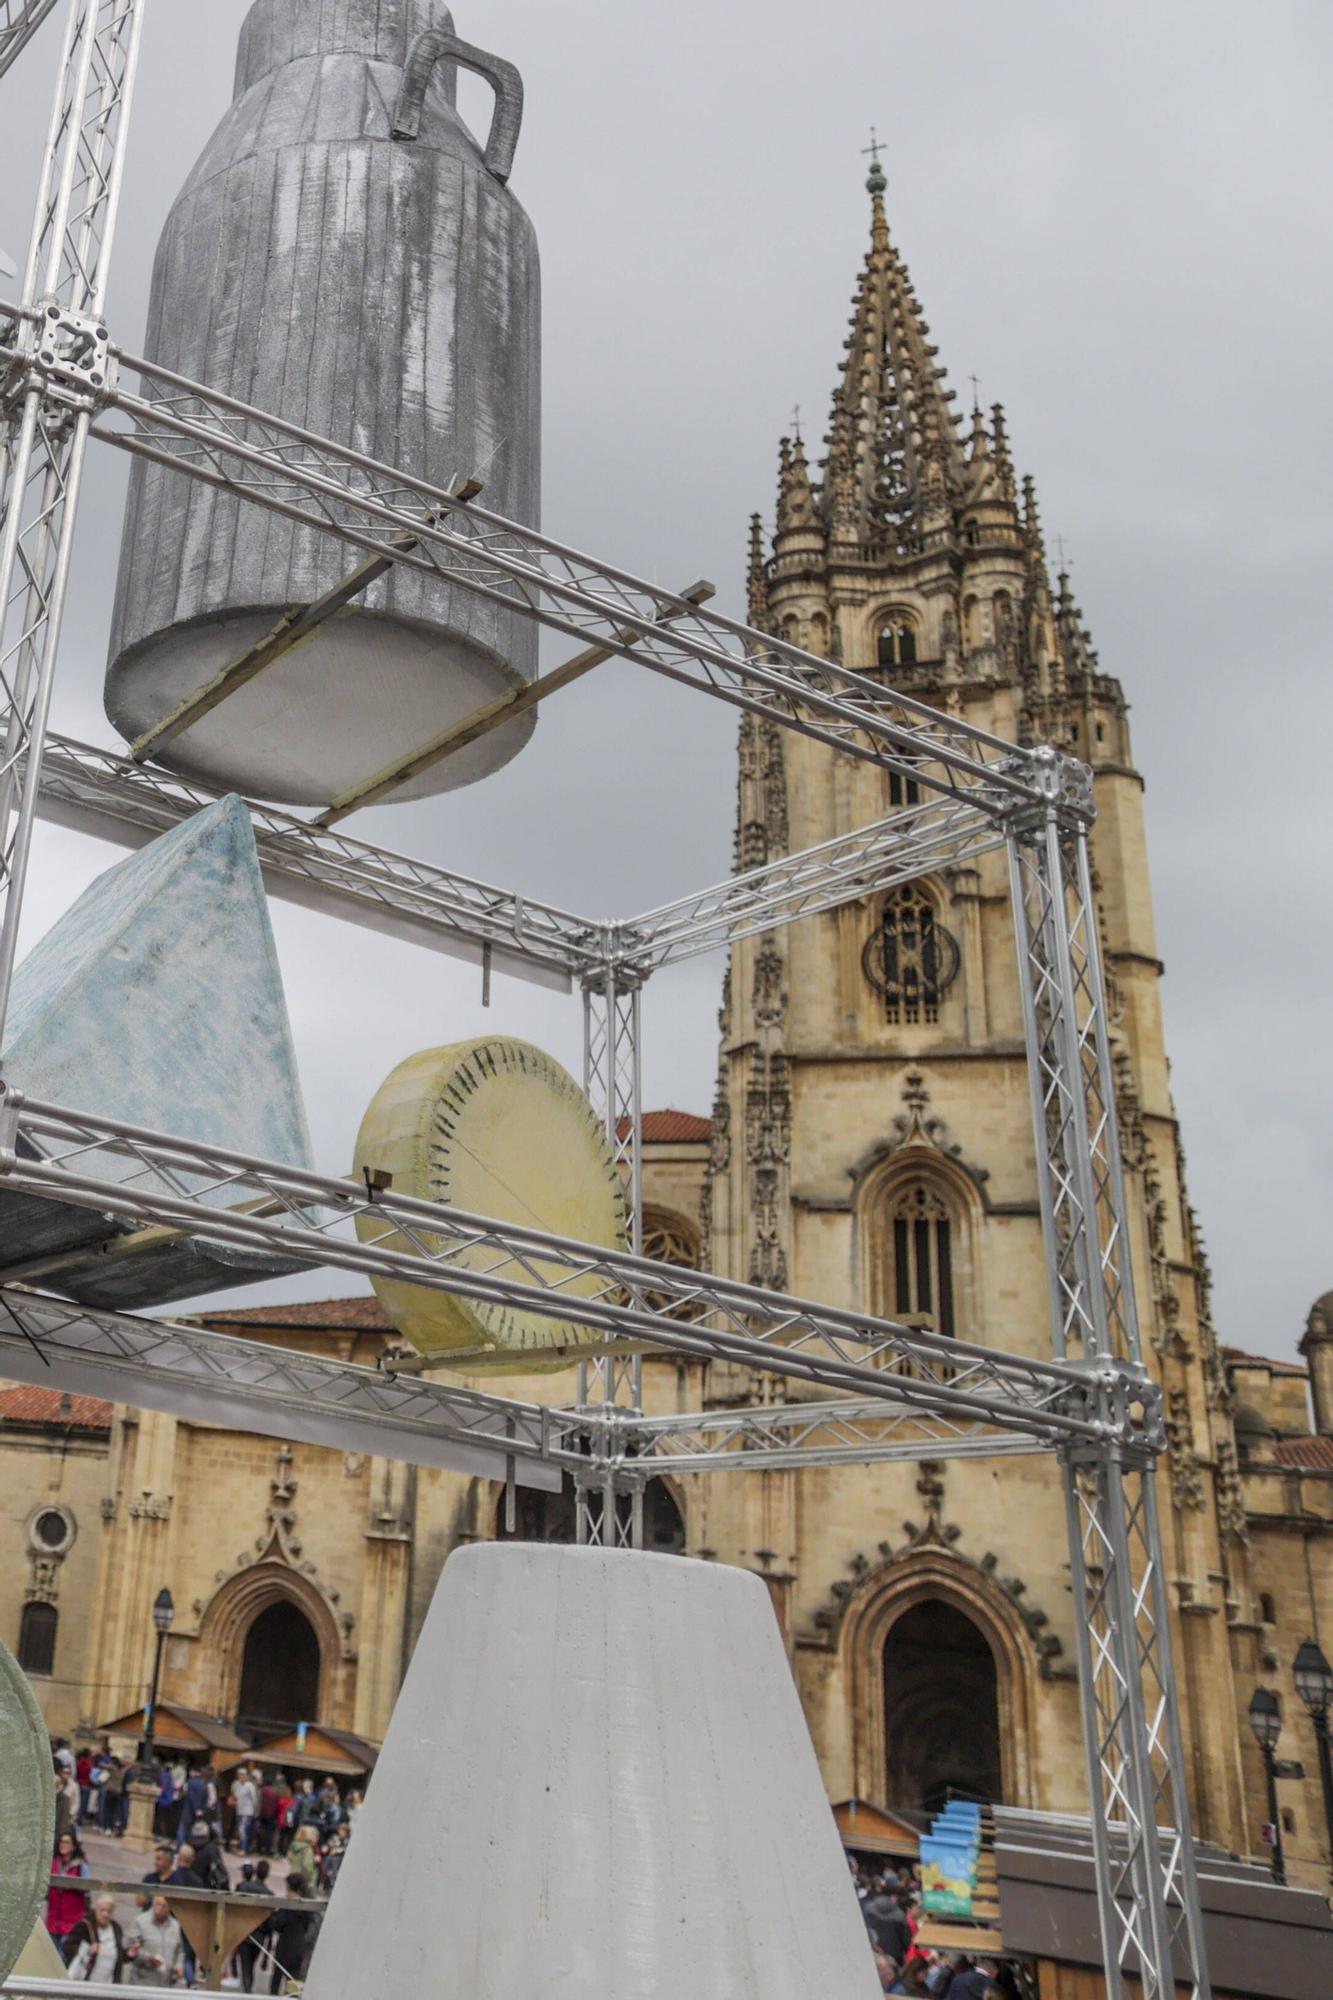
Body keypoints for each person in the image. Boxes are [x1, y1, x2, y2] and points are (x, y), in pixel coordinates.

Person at [66, 1893, 129, 1984]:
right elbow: (67, 1946)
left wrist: (128, 1955)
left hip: (108, 1983)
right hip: (85, 1980)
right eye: (102, 1910)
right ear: (96, 1910)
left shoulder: (116, 1929)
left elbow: (118, 1955)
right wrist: (87, 1951)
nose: (105, 1914)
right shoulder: (84, 1926)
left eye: (109, 1911)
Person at [46, 1830, 89, 1959]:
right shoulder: (53, 1863)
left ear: (73, 1846)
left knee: (64, 1958)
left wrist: (69, 1883)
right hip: (53, 1921)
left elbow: (87, 1888)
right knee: (50, 1958)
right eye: (61, 1842)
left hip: (71, 1923)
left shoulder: (81, 1866)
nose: (62, 1845)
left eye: (66, 1842)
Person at [267, 1879, 314, 1993]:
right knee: (293, 1982)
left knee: (276, 1980)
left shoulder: (288, 1906)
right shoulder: (306, 1905)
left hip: (284, 1947)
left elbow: (277, 1924)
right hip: (298, 1948)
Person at [128, 1893, 185, 1987]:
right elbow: (131, 1950)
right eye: (157, 1905)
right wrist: (148, 1958)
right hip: (142, 1983)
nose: (159, 1909)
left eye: (164, 1906)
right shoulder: (140, 1921)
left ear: (170, 1908)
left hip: (165, 1985)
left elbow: (180, 1951)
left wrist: (179, 1966)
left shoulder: (176, 1926)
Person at [235, 1860, 274, 1995]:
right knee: (250, 1964)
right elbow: (270, 1920)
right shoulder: (270, 1894)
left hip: (244, 1931)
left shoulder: (243, 1887)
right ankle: (247, 1988)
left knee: (245, 1964)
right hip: (260, 1935)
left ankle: (247, 1989)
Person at [233, 1768, 258, 1855]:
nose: (241, 1777)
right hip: (239, 1811)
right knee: (240, 1831)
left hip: (247, 1811)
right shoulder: (237, 1785)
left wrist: (254, 1810)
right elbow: (236, 1796)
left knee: (242, 1829)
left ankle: (243, 1849)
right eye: (239, 1775)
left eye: (243, 1775)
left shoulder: (250, 1785)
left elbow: (254, 1798)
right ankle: (241, 1847)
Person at [256, 1773, 280, 1856]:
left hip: (262, 1814)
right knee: (269, 1833)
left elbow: (258, 1802)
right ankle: (267, 1849)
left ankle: (259, 1848)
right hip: (272, 1815)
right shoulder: (275, 1791)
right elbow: (277, 1804)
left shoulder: (262, 1790)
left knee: (261, 1831)